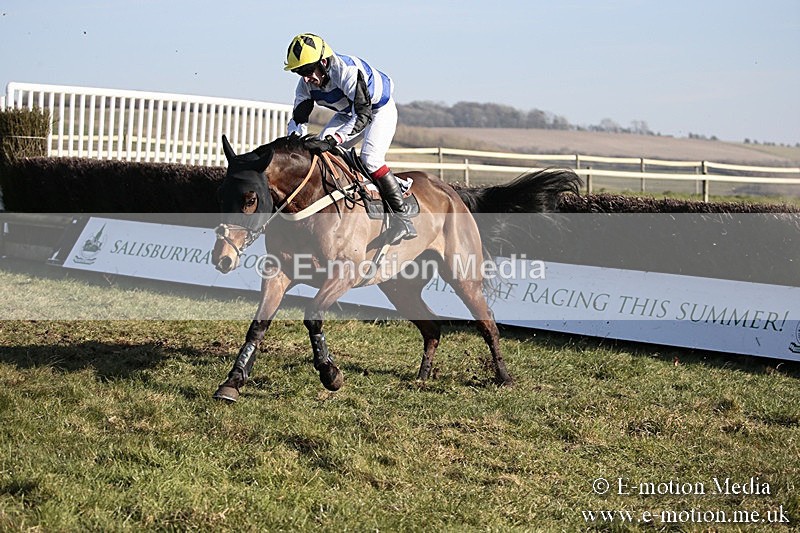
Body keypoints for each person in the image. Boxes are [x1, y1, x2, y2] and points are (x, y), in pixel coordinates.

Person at [284, 33, 416, 244]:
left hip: (377, 111)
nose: (305, 78)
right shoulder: (305, 84)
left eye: (308, 70)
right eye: (299, 72)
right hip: (349, 114)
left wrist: (333, 139)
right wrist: (294, 144)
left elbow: (363, 115)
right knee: (320, 154)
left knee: (370, 158)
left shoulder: (347, 72)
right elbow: (299, 119)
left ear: (324, 62)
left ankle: (403, 219)